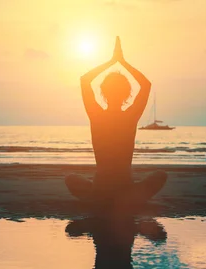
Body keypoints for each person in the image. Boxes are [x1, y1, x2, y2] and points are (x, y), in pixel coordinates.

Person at [65, 36, 167, 208]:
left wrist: (111, 62)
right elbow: (146, 84)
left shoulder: (96, 114)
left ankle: (98, 198)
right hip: (124, 187)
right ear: (127, 94)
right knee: (160, 175)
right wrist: (122, 62)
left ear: (103, 92)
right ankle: (125, 199)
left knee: (70, 179)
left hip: (101, 187)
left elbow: (85, 80)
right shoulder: (130, 116)